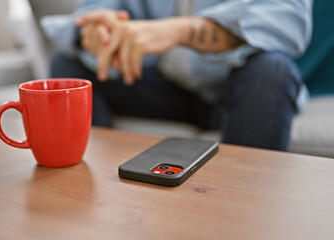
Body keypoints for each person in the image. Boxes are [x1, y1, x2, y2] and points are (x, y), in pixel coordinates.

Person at [42, 0, 312, 151]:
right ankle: (88, 194)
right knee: (69, 65)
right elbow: (93, 11)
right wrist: (96, 31)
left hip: (237, 88)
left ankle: (243, 213)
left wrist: (176, 31)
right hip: (163, 86)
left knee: (272, 70)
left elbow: (288, 22)